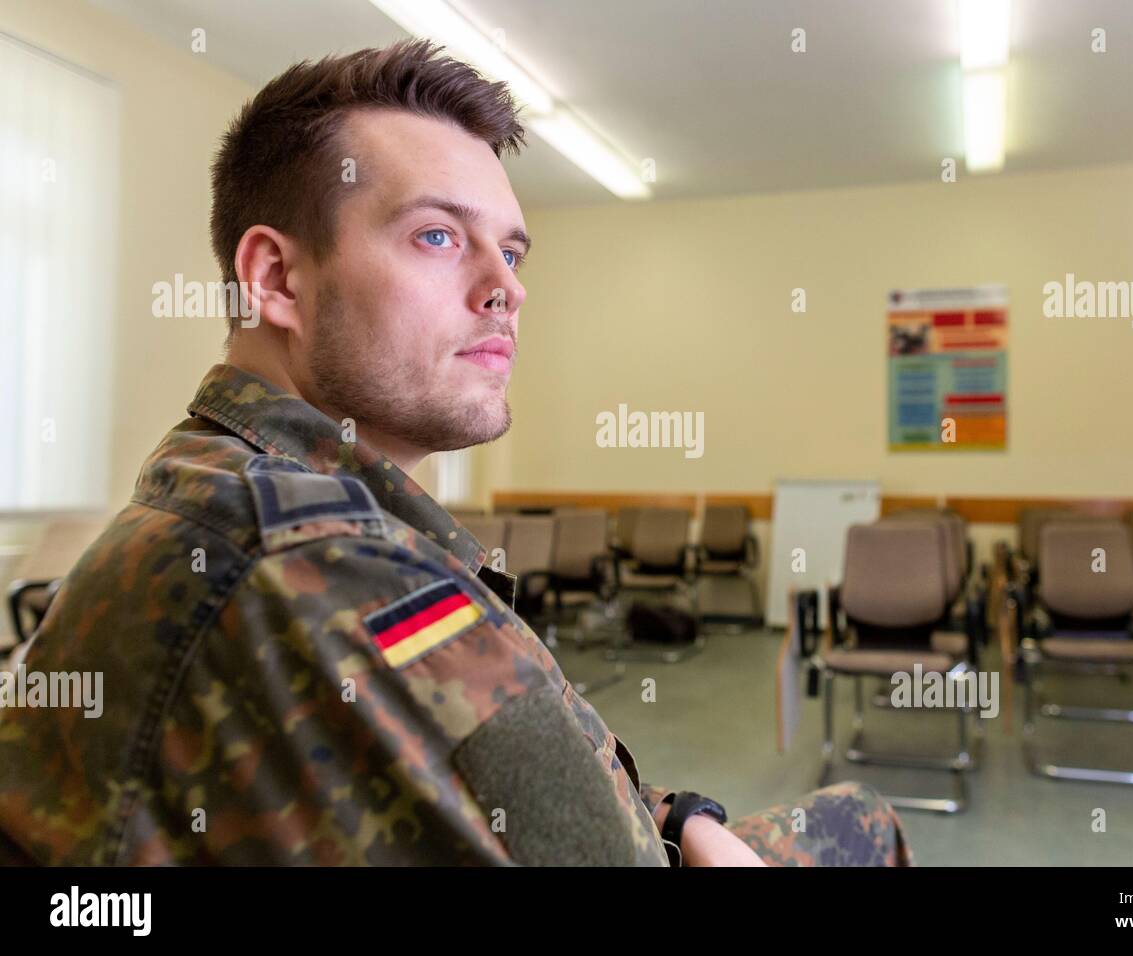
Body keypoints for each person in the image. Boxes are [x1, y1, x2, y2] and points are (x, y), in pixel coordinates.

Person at [0, 40, 910, 867]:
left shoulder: (213, 480)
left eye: (511, 251)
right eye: (437, 236)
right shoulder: (325, 563)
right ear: (276, 279)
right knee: (863, 824)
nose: (506, 287)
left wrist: (681, 819)